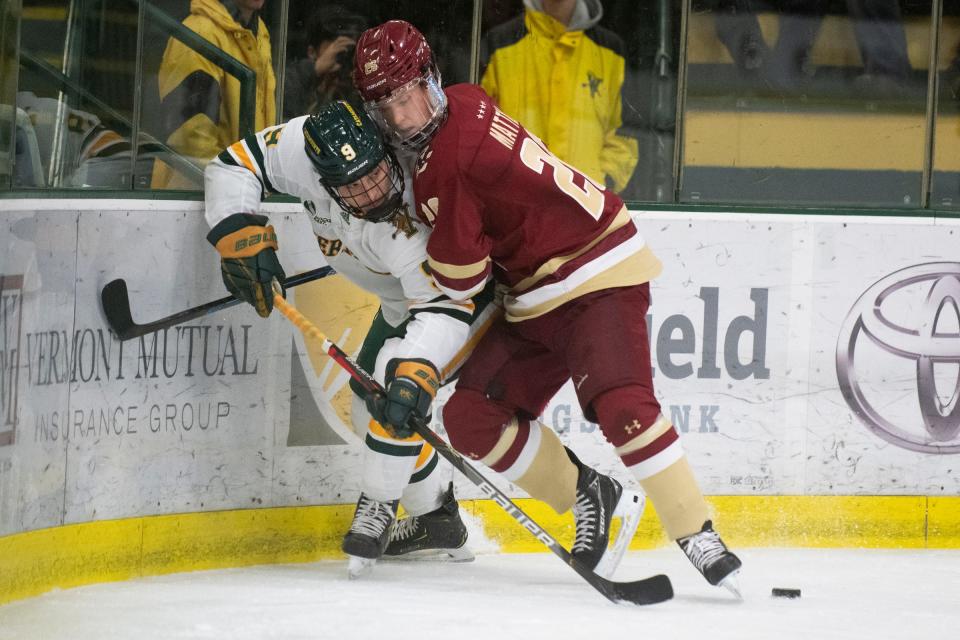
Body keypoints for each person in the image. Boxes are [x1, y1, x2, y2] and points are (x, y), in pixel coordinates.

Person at [353, 20, 741, 592]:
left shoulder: (445, 167)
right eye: (388, 105)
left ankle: (696, 531)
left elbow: (461, 281)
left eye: (409, 94)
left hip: (597, 272)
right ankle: (593, 495)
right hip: (534, 294)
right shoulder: (465, 100)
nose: (404, 116)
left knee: (622, 405)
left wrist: (391, 252)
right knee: (468, 416)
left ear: (430, 79)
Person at [203, 99, 496, 576]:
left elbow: (442, 305)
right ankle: (436, 518)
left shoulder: (408, 218)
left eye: (375, 172)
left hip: (452, 299)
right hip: (400, 299)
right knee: (368, 403)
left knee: (391, 386)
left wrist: (412, 373)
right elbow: (234, 163)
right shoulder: (301, 148)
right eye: (352, 184)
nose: (372, 189)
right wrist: (240, 233)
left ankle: (379, 505)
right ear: (323, 182)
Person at [480, 0, 638, 193]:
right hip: (516, 210)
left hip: (586, 213)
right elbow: (479, 130)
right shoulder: (498, 45)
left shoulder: (612, 51)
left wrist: (597, 189)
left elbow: (626, 136)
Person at [152, 0, 277, 189]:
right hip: (194, 195)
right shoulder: (200, 32)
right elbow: (189, 136)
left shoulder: (258, 32)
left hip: (241, 191)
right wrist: (236, 181)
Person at [282, 4, 367, 120]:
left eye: (348, 50)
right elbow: (279, 96)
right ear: (312, 52)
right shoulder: (300, 83)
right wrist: (315, 69)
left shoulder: (352, 86)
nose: (343, 55)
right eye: (336, 49)